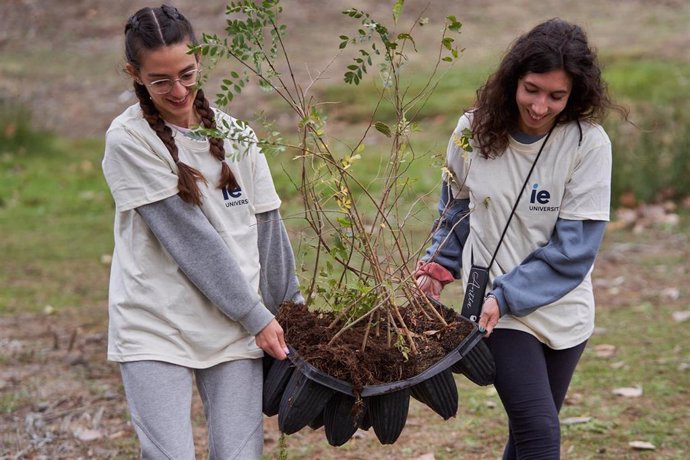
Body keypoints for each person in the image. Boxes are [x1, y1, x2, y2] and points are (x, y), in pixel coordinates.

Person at [415, 18, 624, 459]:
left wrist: (513, 293)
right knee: (539, 434)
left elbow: (573, 250)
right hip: (496, 309)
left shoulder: (588, 145)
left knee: (529, 434)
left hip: (564, 309)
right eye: (532, 89)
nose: (540, 105)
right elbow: (456, 208)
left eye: (556, 96)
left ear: (574, 95)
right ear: (514, 79)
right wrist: (438, 263)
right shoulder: (473, 129)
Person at [101, 5, 301, 458]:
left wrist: (290, 315)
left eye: (187, 74)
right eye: (160, 80)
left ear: (200, 59)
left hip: (234, 326)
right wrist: (257, 316)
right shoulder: (129, 140)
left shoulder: (239, 136)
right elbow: (191, 240)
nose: (178, 90)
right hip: (157, 324)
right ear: (134, 74)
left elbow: (268, 232)